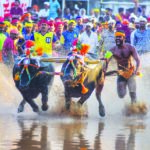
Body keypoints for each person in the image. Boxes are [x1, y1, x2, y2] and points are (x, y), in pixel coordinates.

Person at [109, 31, 140, 104]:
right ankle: (123, 87)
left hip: (131, 72)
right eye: (116, 37)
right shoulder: (112, 50)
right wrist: (103, 69)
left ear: (124, 38)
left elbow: (138, 60)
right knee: (121, 95)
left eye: (119, 37)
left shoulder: (130, 47)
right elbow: (105, 61)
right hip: (121, 74)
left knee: (133, 93)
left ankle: (134, 108)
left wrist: (136, 70)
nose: (117, 39)